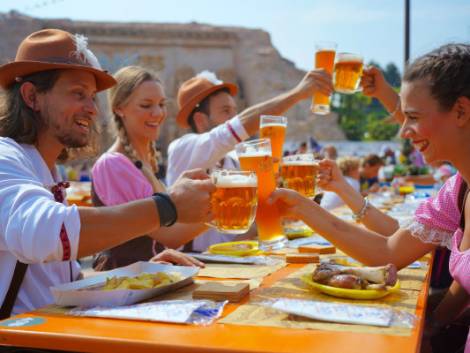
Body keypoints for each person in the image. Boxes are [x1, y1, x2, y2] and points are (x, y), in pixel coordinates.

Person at [270, 43, 470, 352]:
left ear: (461, 111)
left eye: (412, 117)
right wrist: (302, 206)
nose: (403, 130)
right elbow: (387, 251)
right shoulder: (457, 189)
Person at [0, 29, 214, 317]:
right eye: (78, 94)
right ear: (31, 96)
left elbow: (62, 285)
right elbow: (46, 234)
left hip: (56, 331)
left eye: (92, 97)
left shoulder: (47, 170)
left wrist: (137, 275)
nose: (92, 109)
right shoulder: (5, 157)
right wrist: (167, 207)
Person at [167, 69, 333, 252]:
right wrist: (297, 93)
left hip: (233, 258)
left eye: (235, 111)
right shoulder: (183, 148)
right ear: (200, 120)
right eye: (225, 111)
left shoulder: (234, 161)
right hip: (195, 263)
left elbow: (240, 233)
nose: (233, 117)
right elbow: (235, 128)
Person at [91, 66, 207, 270]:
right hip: (126, 289)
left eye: (162, 104)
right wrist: (225, 204)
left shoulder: (143, 161)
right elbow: (170, 235)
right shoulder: (113, 164)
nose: (158, 113)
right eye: (146, 105)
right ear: (119, 108)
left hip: (151, 282)